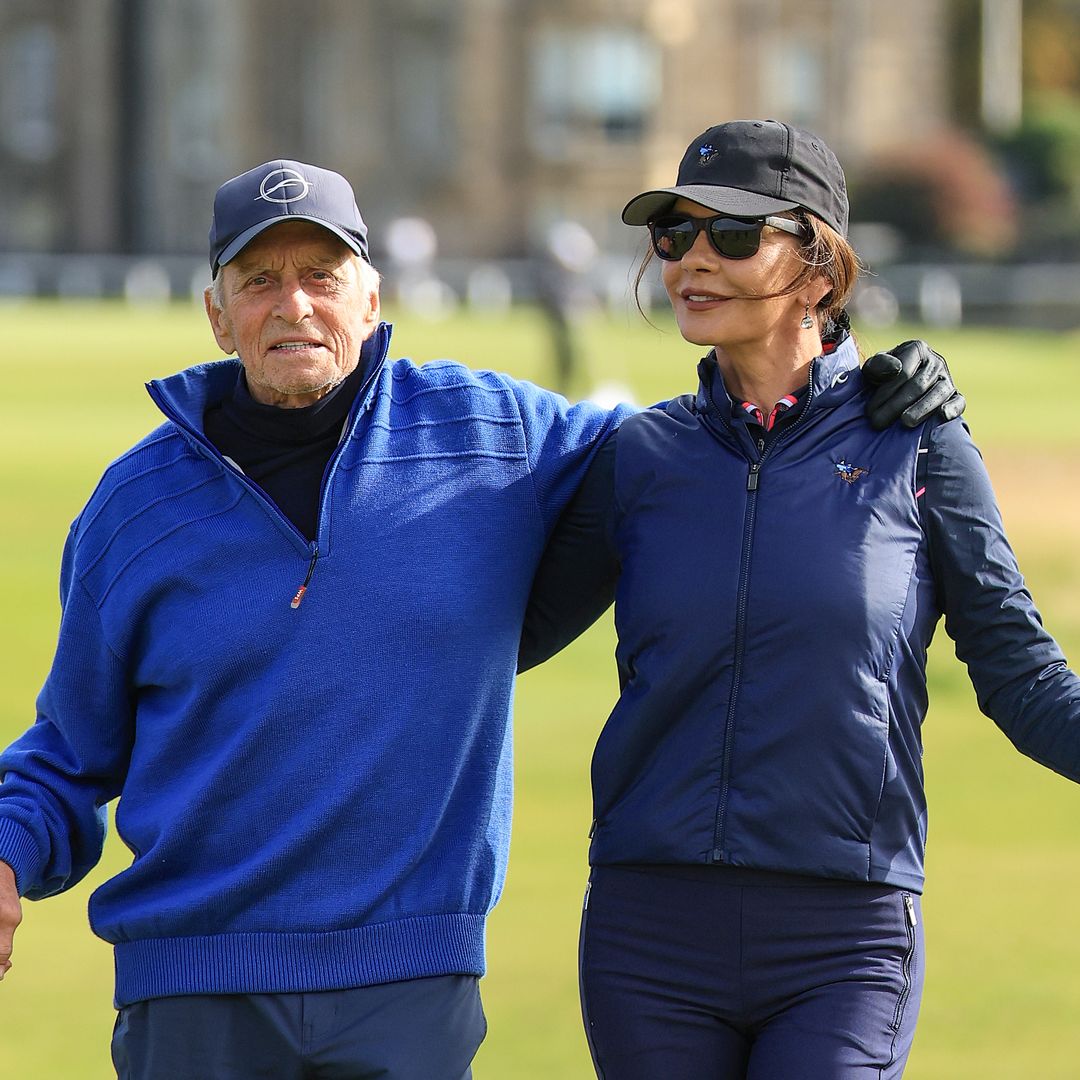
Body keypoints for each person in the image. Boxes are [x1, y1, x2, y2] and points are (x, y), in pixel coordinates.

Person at [0, 157, 959, 1080]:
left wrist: (857, 390)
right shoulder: (134, 509)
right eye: (258, 281)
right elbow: (69, 751)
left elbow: (705, 448)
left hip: (409, 989)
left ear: (371, 300)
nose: (293, 305)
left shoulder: (493, 434)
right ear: (217, 315)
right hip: (188, 992)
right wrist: (7, 854)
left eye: (322, 276)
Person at [520, 119, 1080, 1079]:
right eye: (674, 234)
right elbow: (495, 635)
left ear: (821, 271)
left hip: (845, 934)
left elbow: (1021, 673)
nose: (694, 259)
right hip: (648, 934)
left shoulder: (921, 445)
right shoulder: (640, 455)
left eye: (734, 234)